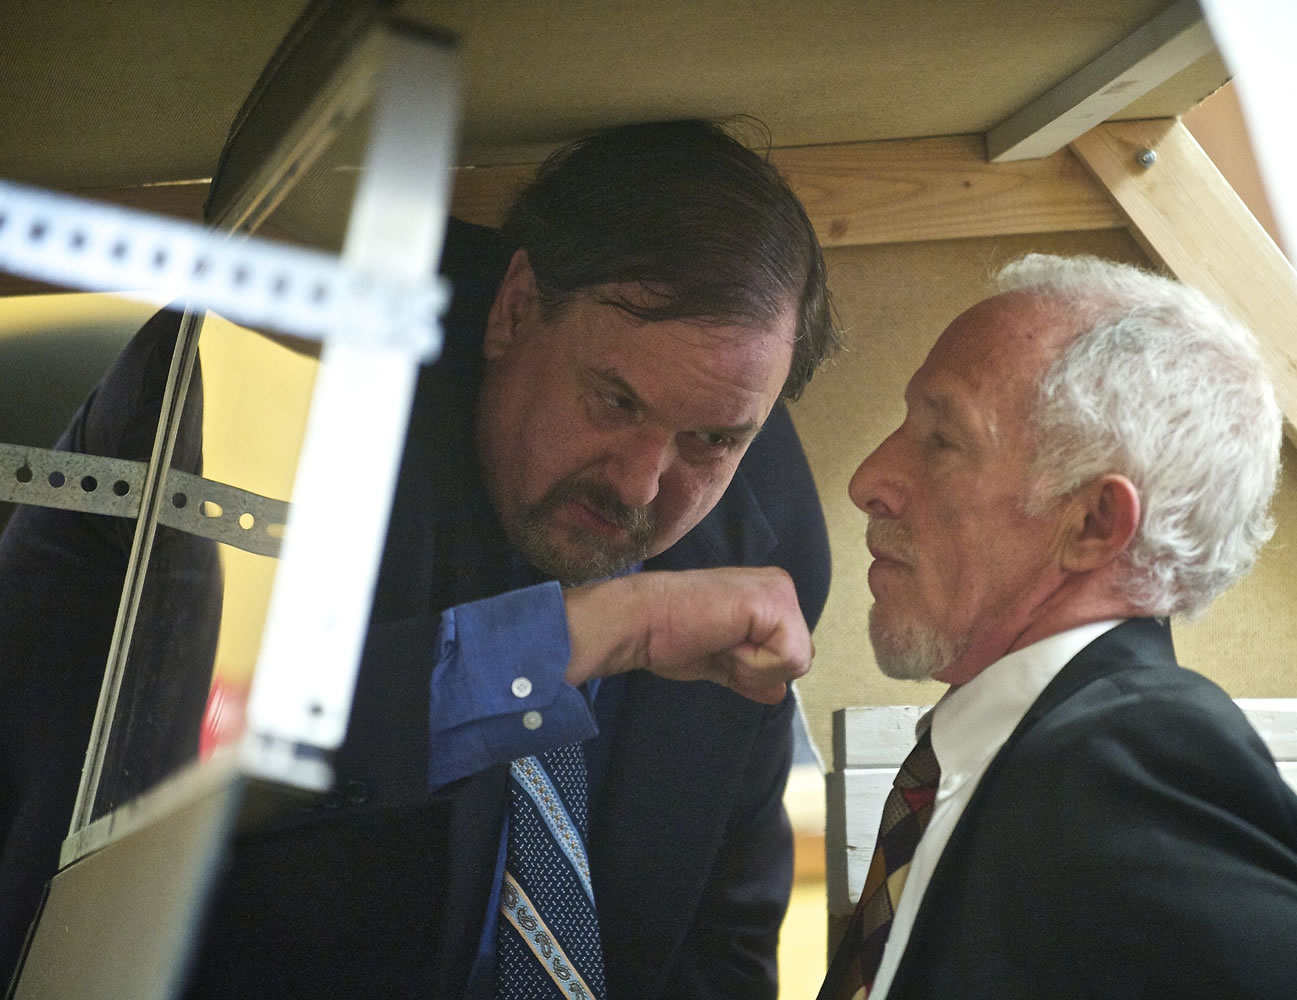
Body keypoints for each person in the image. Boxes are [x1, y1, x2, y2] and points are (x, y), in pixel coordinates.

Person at [0, 119, 839, 996]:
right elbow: (157, 770)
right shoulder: (271, 380)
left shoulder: (764, 534)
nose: (639, 486)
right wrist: (569, 640)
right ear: (514, 310)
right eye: (614, 401)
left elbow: (716, 942)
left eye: (709, 440)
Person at [819, 253, 1297, 1000]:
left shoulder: (1131, 756)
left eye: (940, 440)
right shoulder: (1025, 758)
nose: (868, 481)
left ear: (1093, 522)